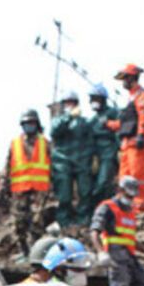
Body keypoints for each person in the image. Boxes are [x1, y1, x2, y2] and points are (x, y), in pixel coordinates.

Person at [90, 176, 144, 286]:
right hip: (115, 257)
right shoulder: (107, 208)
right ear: (119, 190)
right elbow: (94, 232)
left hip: (130, 256)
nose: (130, 199)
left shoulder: (130, 212)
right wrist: (101, 252)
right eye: (128, 195)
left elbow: (129, 238)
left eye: (133, 196)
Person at [5, 109, 52, 260]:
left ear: (36, 124)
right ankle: (24, 252)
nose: (29, 126)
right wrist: (4, 185)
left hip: (39, 190)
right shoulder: (15, 144)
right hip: (19, 190)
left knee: (37, 224)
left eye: (31, 123)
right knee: (19, 223)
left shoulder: (45, 143)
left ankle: (36, 254)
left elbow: (53, 166)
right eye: (26, 123)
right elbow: (8, 166)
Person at [114, 64, 144, 212]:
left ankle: (142, 205)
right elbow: (125, 122)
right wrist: (108, 124)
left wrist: (141, 135)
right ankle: (126, 206)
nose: (123, 82)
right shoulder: (131, 98)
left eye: (125, 78)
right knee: (124, 177)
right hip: (127, 144)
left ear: (132, 77)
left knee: (138, 176)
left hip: (138, 142)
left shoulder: (142, 95)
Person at [50, 91, 95, 228]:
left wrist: (93, 158)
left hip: (82, 161)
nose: (70, 105)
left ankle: (83, 220)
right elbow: (55, 131)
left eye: (73, 103)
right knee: (64, 194)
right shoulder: (58, 120)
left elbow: (91, 140)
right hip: (62, 162)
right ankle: (64, 222)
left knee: (85, 192)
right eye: (67, 102)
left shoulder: (84, 122)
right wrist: (68, 117)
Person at [88, 84, 121, 207]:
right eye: (92, 99)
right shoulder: (92, 120)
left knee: (103, 182)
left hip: (108, 153)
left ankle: (107, 207)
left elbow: (119, 128)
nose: (93, 102)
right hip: (95, 156)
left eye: (96, 99)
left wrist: (119, 149)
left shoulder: (112, 112)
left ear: (102, 99)